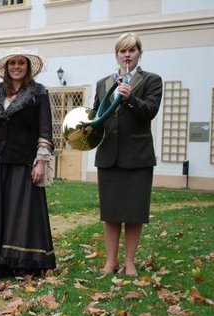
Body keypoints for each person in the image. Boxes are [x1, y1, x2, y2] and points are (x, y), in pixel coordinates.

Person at [0, 47, 56, 278]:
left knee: (21, 212)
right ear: (6, 68)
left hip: (23, 160)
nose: (16, 67)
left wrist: (41, 162)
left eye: (21, 63)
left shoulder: (39, 93)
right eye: (12, 63)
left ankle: (22, 261)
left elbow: (45, 129)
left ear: (28, 67)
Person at [92, 32, 163, 276]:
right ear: (117, 54)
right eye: (123, 50)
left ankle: (130, 261)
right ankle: (111, 262)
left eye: (132, 50)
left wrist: (131, 98)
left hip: (137, 156)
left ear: (139, 54)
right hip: (108, 155)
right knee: (110, 212)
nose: (127, 55)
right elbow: (97, 116)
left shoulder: (151, 80)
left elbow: (150, 111)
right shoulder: (103, 83)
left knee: (134, 211)